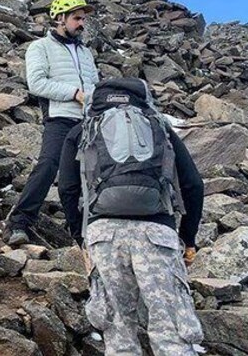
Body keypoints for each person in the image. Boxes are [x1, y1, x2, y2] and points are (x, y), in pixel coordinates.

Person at [58, 77, 205, 355]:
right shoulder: (160, 127)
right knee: (171, 328)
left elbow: (67, 189)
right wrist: (188, 238)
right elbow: (193, 185)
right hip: (156, 232)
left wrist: (81, 235)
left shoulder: (82, 130)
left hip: (104, 234)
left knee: (117, 329)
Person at [4, 0, 99, 246]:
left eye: (83, 19)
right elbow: (36, 84)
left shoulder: (86, 53)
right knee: (48, 165)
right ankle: (18, 222)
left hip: (89, 121)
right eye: (77, 18)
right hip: (60, 119)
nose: (81, 24)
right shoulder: (40, 47)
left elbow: (95, 84)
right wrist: (73, 93)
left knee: (81, 178)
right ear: (60, 18)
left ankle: (78, 232)